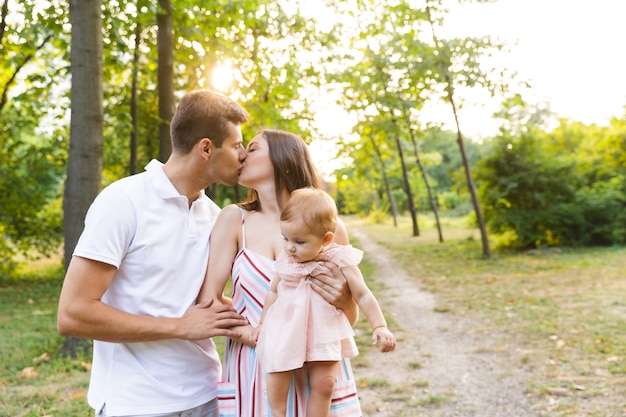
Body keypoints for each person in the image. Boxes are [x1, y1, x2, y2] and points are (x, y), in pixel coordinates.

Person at [57, 89, 251, 417]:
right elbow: (73, 313)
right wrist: (179, 326)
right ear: (206, 148)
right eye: (236, 146)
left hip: (208, 396)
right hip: (136, 403)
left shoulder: (217, 217)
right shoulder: (123, 201)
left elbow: (204, 301)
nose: (243, 155)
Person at [197, 129, 363, 417]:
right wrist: (249, 333)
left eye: (252, 147)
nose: (241, 155)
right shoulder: (234, 220)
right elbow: (208, 301)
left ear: (282, 158)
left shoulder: (331, 229)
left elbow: (349, 317)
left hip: (318, 369)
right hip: (255, 365)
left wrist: (347, 303)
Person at [253, 187, 396, 417]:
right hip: (285, 329)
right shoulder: (286, 260)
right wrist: (262, 324)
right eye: (286, 238)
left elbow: (363, 294)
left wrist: (380, 325)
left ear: (326, 239)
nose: (290, 246)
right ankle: (277, 413)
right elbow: (273, 292)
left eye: (299, 241)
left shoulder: (339, 259)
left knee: (326, 383)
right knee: (277, 375)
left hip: (324, 331)